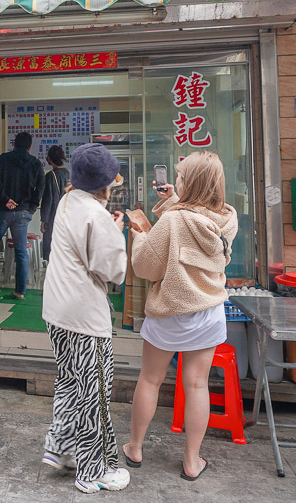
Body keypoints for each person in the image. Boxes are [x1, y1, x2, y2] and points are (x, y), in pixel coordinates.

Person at [123, 151, 239, 481]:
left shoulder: (173, 222)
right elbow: (195, 220)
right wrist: (174, 199)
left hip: (170, 312)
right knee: (197, 385)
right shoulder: (225, 218)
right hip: (208, 312)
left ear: (191, 182)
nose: (176, 180)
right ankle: (191, 460)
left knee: (150, 379)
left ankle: (135, 448)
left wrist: (140, 237)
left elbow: (147, 266)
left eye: (180, 177)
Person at [41, 143, 130, 493]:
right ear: (104, 186)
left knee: (69, 381)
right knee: (93, 394)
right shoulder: (97, 217)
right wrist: (118, 232)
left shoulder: (68, 201)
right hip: (83, 316)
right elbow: (114, 271)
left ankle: (60, 447)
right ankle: (93, 472)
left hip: (57, 310)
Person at [0, 131, 45, 300]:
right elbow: (40, 188)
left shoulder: (3, 159)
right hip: (23, 212)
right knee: (21, 251)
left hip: (2, 211)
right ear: (29, 146)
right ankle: (20, 291)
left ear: (14, 144)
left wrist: (6, 200)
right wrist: (31, 207)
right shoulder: (35, 164)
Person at [40, 145, 70, 262]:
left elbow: (48, 200)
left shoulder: (50, 176)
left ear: (50, 159)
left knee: (53, 249)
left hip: (54, 217)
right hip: (69, 217)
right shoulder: (70, 174)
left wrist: (44, 221)